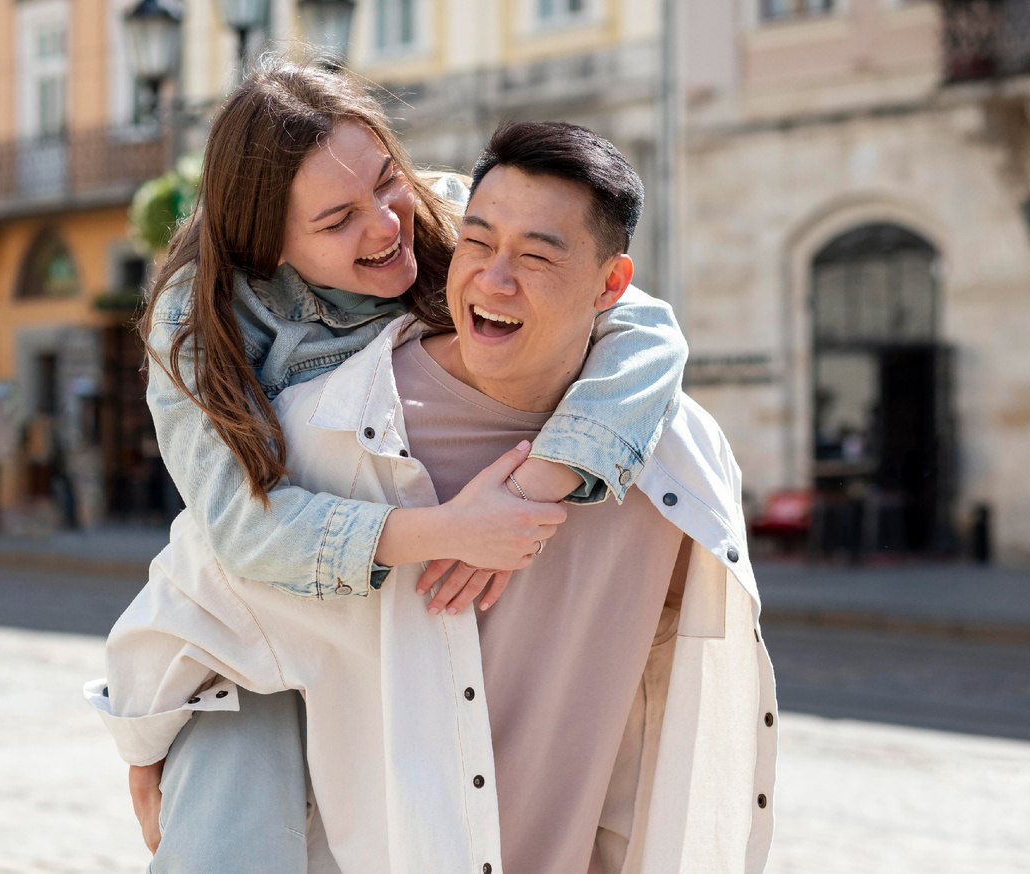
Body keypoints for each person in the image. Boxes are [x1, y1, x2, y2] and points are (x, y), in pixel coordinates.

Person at [89, 121, 777, 873]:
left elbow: (649, 324)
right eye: (479, 246)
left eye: (387, 187)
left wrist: (540, 478)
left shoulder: (678, 455)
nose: (386, 226)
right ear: (275, 247)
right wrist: (148, 744)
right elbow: (207, 577)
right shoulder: (312, 428)